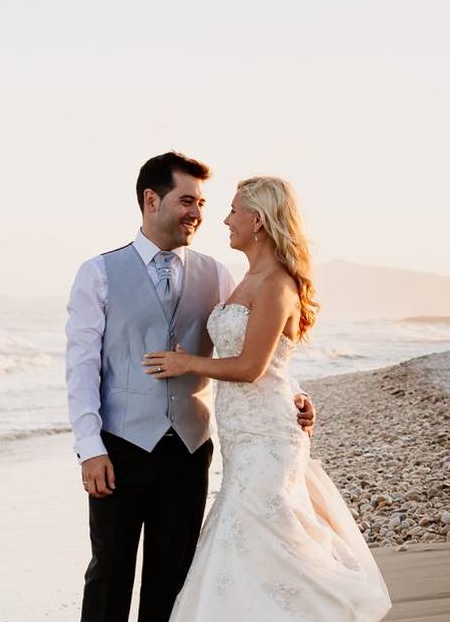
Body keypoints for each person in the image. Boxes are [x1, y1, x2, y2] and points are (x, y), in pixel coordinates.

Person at [65, 152, 316, 622]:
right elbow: (80, 368)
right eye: (187, 201)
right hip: (120, 447)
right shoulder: (97, 273)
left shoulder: (219, 274)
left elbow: (252, 346)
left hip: (189, 448)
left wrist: (294, 395)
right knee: (109, 572)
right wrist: (89, 447)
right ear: (151, 199)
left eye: (202, 203)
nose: (199, 214)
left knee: (174, 577)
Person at [143, 176, 391, 621]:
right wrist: (298, 393)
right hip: (245, 439)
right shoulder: (245, 280)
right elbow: (277, 363)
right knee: (251, 544)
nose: (224, 219)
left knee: (265, 541)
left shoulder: (276, 284)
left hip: (268, 442)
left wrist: (189, 365)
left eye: (234, 211)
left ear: (256, 220)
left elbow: (251, 367)